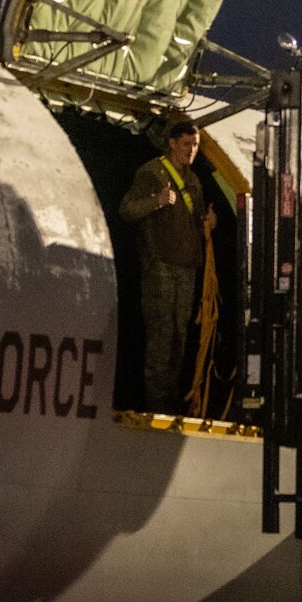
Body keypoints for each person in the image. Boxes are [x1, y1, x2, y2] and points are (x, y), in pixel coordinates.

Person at [119, 117, 216, 413]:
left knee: (179, 336)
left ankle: (169, 401)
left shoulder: (193, 180)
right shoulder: (153, 173)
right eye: (186, 144)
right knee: (161, 336)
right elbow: (127, 210)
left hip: (186, 269)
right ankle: (155, 404)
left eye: (195, 145)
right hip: (160, 267)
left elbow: (196, 222)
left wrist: (209, 224)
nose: (191, 150)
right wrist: (157, 201)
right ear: (172, 143)